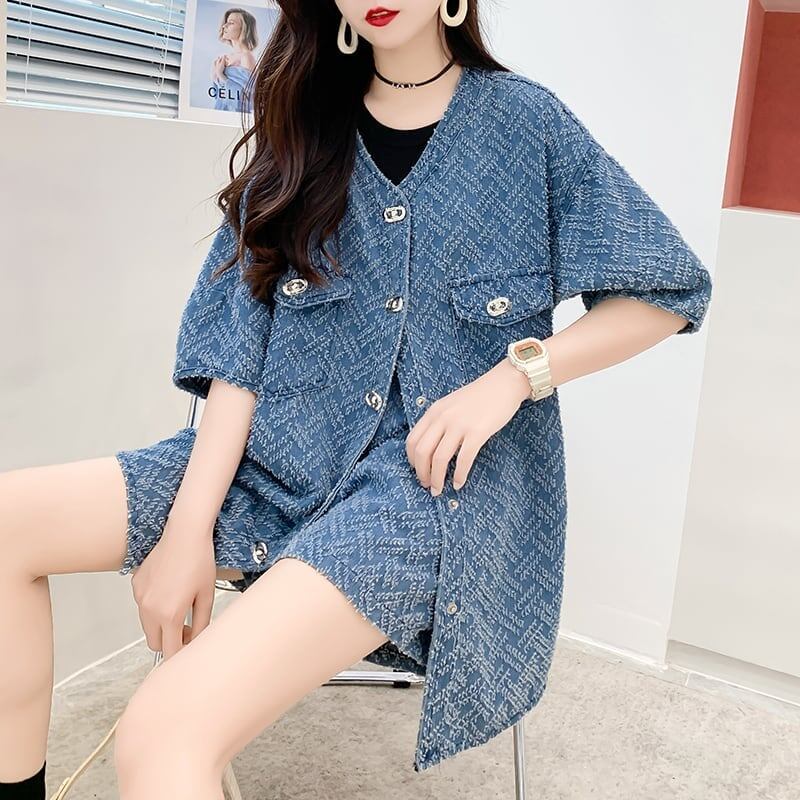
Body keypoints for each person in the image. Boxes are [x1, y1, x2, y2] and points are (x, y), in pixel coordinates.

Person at [0, 0, 714, 796]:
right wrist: (187, 531)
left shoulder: (525, 126)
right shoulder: (305, 129)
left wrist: (514, 376)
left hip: (436, 495)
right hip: (273, 464)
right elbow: (240, 355)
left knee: (161, 730)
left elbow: (667, 290)